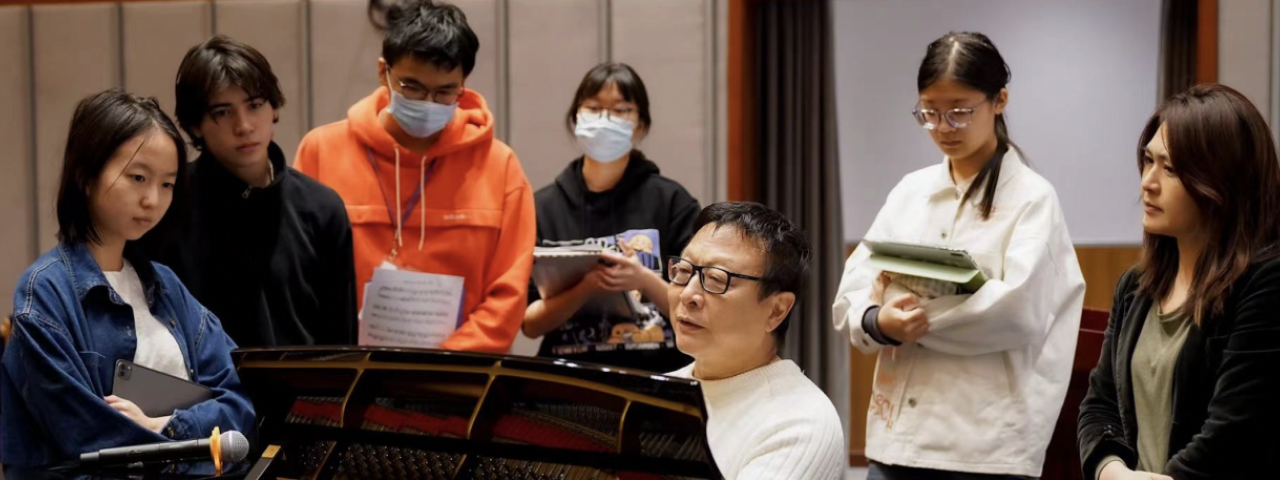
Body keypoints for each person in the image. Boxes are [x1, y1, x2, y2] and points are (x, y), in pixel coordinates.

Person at [831, 32, 1085, 479]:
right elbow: (853, 288)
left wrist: (909, 317)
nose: (944, 127)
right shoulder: (910, 191)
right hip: (897, 440)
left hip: (985, 446)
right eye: (930, 113)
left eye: (961, 111)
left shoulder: (1032, 199)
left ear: (999, 100)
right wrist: (878, 323)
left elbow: (1017, 313)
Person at [0, 90, 254, 471]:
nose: (153, 199)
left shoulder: (166, 286)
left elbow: (241, 400)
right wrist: (198, 449)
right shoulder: (46, 293)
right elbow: (86, 440)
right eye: (138, 178)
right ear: (86, 175)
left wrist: (167, 427)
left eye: (167, 184)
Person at [295, 0, 534, 353]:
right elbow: (299, 275)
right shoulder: (321, 151)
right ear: (383, 72)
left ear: (463, 85)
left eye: (444, 92)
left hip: (461, 384)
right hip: (343, 377)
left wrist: (441, 366)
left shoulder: (500, 166)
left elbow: (509, 294)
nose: (427, 103)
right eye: (412, 88)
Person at [1078, 84, 1280, 480]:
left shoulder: (1264, 283)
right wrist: (1112, 471)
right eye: (1148, 161)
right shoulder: (1135, 286)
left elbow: (1235, 431)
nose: (1148, 183)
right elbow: (1099, 404)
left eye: (1170, 169)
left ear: (1221, 182)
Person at [144, 35, 356, 347]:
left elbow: (342, 340)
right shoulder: (168, 204)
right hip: (205, 394)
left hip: (306, 394)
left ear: (273, 109)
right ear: (195, 125)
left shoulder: (321, 208)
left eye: (254, 105)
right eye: (223, 112)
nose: (244, 125)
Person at [522, 62, 701, 372]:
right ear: (575, 118)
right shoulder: (542, 207)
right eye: (593, 108)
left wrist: (642, 279)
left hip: (657, 377)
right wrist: (585, 288)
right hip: (568, 380)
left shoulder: (672, 202)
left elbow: (696, 308)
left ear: (641, 126)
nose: (605, 120)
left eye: (621, 110)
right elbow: (530, 324)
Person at [667, 202, 843, 480]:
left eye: (715, 279)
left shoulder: (800, 423)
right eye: (684, 271)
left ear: (776, 311)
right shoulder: (657, 393)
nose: (688, 294)